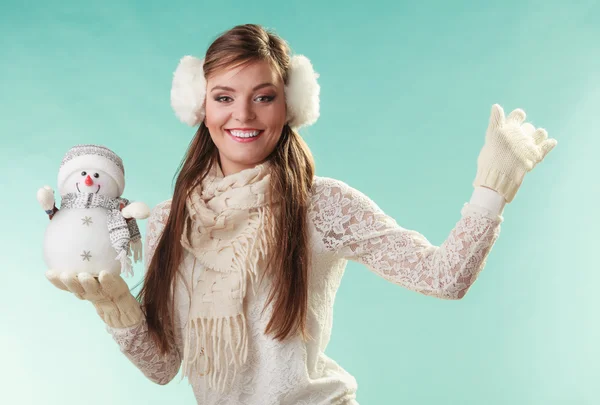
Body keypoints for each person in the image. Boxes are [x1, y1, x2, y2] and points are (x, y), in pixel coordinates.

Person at [44, 23, 557, 405]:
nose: (242, 115)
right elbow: (164, 367)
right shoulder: (169, 220)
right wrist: (117, 311)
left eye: (262, 97)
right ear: (200, 108)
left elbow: (445, 277)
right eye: (224, 97)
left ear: (288, 107)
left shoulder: (321, 205)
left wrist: (492, 187)